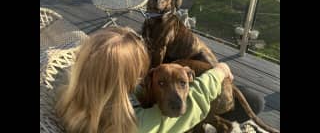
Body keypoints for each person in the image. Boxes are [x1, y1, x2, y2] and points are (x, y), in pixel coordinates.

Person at [55, 26, 261, 133]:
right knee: (253, 101)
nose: (141, 77)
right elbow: (189, 108)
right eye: (137, 73)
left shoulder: (73, 101)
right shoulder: (133, 126)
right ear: (122, 81)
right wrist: (220, 70)